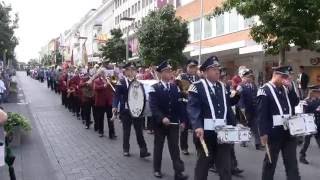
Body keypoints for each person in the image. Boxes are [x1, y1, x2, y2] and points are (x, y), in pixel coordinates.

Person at [187, 56, 236, 180]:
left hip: (223, 133)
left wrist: (235, 126)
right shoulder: (196, 86)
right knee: (203, 165)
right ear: (204, 72)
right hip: (205, 133)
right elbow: (193, 109)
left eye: (218, 68)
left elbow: (228, 109)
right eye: (213, 68)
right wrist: (197, 126)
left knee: (225, 166)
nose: (217, 71)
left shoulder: (223, 87)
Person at [257, 66, 300, 180]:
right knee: (270, 163)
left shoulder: (286, 89)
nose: (286, 79)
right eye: (283, 76)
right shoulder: (264, 90)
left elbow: (295, 102)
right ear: (275, 74)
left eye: (287, 77)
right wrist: (263, 133)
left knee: (292, 163)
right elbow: (262, 114)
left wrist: (291, 88)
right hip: (273, 132)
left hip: (289, 132)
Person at [149, 60, 188, 180]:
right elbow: (153, 107)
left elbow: (179, 105)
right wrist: (162, 118)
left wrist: (183, 120)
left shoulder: (175, 87)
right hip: (160, 124)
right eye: (166, 71)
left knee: (174, 148)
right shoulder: (154, 88)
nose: (169, 73)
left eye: (170, 71)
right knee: (158, 147)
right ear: (160, 74)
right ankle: (157, 169)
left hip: (173, 123)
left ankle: (178, 172)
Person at [112, 62, 150, 157]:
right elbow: (116, 96)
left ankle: (143, 150)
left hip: (137, 110)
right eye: (130, 70)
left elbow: (142, 95)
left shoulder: (138, 82)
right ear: (125, 71)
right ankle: (126, 149)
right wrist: (115, 106)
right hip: (125, 110)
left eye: (133, 70)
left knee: (139, 131)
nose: (132, 72)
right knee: (126, 131)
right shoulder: (121, 82)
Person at [176, 59, 200, 155]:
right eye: (190, 67)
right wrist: (185, 92)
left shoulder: (199, 78)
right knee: (184, 127)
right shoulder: (181, 77)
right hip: (184, 105)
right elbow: (177, 90)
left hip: (195, 106)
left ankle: (198, 148)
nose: (192, 69)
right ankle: (184, 147)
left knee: (196, 127)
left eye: (194, 67)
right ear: (186, 67)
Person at [238, 68, 262, 150]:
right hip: (245, 110)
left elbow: (256, 97)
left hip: (254, 110)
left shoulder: (254, 86)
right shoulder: (241, 86)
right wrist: (242, 108)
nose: (250, 78)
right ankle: (243, 141)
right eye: (248, 77)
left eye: (250, 77)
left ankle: (258, 144)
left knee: (255, 126)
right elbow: (240, 98)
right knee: (245, 127)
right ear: (244, 77)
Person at [299, 85, 320, 164]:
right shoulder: (306, 101)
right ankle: (302, 156)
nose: (318, 94)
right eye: (317, 92)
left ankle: (302, 155)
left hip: (318, 125)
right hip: (309, 124)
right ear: (312, 92)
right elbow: (305, 111)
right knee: (306, 142)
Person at [93, 70, 115, 138]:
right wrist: (104, 85)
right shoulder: (96, 81)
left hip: (108, 102)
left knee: (110, 118)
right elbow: (95, 88)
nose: (103, 74)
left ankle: (111, 133)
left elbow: (115, 83)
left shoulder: (108, 79)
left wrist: (112, 77)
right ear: (99, 74)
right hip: (101, 102)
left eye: (103, 73)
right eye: (101, 73)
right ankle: (101, 131)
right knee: (100, 118)